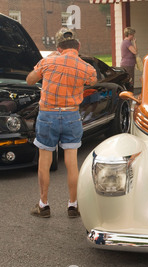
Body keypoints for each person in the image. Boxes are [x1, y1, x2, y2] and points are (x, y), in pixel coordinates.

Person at [26, 28, 97, 218]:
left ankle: (43, 205)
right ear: (78, 46)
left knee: (45, 160)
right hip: (71, 116)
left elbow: (30, 80)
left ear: (58, 47)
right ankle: (73, 205)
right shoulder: (86, 68)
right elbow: (92, 80)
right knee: (72, 162)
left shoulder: (48, 61)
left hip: (48, 115)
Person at [120, 27, 138, 91]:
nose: (133, 36)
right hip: (128, 65)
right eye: (132, 35)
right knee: (130, 81)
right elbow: (135, 52)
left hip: (126, 64)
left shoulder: (125, 42)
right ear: (129, 34)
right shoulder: (127, 42)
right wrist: (135, 43)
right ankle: (130, 96)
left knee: (128, 81)